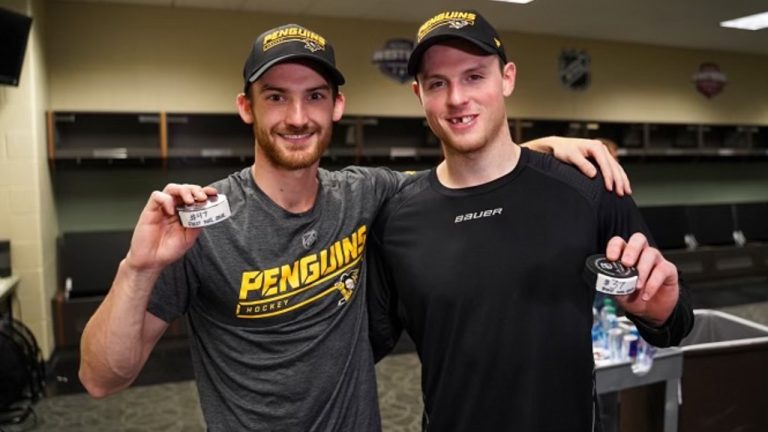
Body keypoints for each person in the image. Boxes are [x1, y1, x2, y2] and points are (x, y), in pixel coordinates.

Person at [78, 23, 632, 431]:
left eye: (314, 96)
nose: (297, 117)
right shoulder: (203, 221)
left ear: (338, 105)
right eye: (276, 97)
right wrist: (138, 268)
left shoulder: (367, 193)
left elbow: (461, 170)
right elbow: (104, 378)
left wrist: (540, 150)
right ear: (246, 107)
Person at [368, 10, 694, 432]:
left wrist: (659, 312)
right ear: (419, 94)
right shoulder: (397, 217)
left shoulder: (589, 188)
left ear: (507, 78)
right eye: (437, 83)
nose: (456, 98)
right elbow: (363, 345)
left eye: (474, 76)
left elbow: (674, 320)